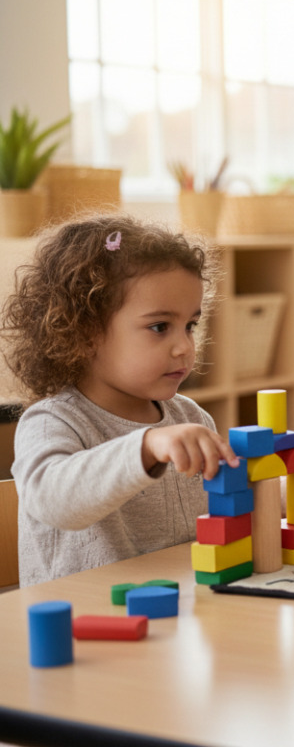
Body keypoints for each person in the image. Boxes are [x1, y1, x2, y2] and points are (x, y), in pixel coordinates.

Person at [1, 214, 238, 586]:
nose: (184, 347)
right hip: (85, 625)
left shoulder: (188, 416)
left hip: (179, 612)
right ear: (85, 331)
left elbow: (218, 508)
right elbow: (51, 499)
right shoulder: (53, 421)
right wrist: (144, 447)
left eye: (190, 325)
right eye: (160, 327)